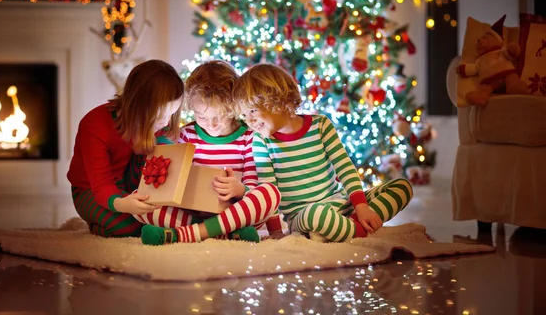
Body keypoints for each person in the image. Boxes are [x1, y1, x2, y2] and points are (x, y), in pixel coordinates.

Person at [232, 63, 413, 242]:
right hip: (305, 216)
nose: (250, 121)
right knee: (317, 215)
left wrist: (361, 207)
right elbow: (268, 190)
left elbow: (345, 168)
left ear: (280, 101)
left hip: (343, 204)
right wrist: (276, 231)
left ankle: (346, 226)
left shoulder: (321, 125)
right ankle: (358, 231)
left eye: (253, 111)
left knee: (401, 187)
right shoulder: (261, 141)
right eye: (244, 116)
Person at [139, 60, 282, 245]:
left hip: (235, 215)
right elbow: (169, 181)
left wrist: (239, 190)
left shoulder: (249, 137)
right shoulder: (185, 135)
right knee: (141, 200)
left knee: (269, 193)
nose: (211, 124)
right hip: (193, 213)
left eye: (219, 117)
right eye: (201, 117)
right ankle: (219, 233)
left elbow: (252, 187)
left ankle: (184, 234)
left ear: (233, 109)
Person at [67, 59, 183, 238]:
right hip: (90, 190)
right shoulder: (95, 125)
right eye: (160, 115)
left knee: (163, 219)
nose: (166, 122)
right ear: (139, 106)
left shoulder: (160, 127)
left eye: (171, 113)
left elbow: (163, 170)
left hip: (129, 184)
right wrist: (124, 205)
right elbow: (102, 186)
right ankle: (98, 226)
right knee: (130, 228)